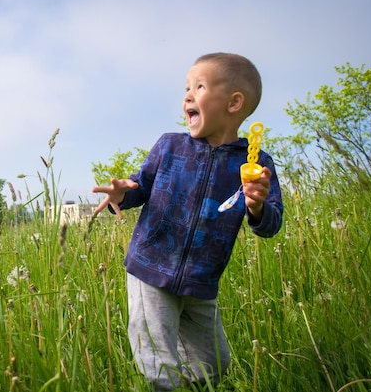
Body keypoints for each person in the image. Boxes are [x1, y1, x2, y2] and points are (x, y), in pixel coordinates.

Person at [92, 52, 283, 391]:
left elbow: (270, 224)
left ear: (234, 103)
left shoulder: (255, 164)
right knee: (159, 362)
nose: (188, 95)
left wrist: (256, 206)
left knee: (214, 363)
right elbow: (140, 187)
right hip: (150, 267)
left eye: (200, 86)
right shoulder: (170, 146)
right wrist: (120, 194)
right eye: (186, 88)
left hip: (200, 282)